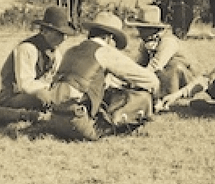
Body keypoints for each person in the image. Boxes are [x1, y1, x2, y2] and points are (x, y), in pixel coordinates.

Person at [45, 11, 159, 141]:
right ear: (109, 38)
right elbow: (151, 80)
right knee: (143, 97)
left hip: (55, 120)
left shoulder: (70, 51)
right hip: (80, 124)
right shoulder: (104, 51)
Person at [0, 6, 76, 111]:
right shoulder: (27, 48)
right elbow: (25, 86)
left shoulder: (55, 52)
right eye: (59, 34)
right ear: (45, 31)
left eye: (65, 35)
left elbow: (57, 76)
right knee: (43, 98)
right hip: (13, 95)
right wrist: (50, 90)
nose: (64, 39)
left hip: (42, 91)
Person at [125, 5, 198, 98]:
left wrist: (136, 81)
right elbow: (140, 63)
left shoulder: (168, 42)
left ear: (152, 29)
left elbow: (155, 66)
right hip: (164, 77)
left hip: (185, 79)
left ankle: (168, 94)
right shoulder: (146, 42)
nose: (139, 31)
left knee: (173, 65)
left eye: (142, 28)